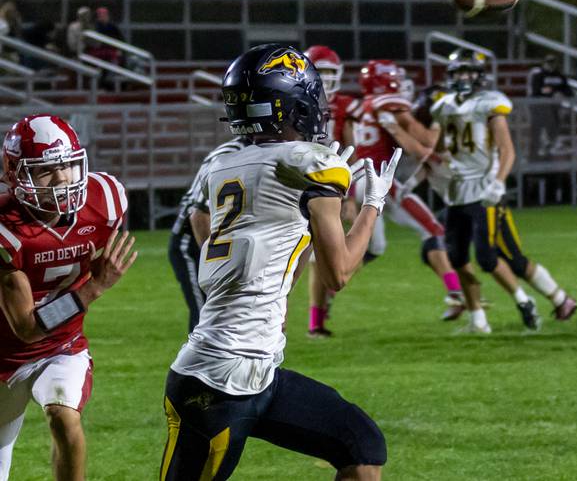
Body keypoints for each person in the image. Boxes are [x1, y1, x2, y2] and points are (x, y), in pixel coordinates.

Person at [160, 44, 397, 480]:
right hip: (219, 384)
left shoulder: (224, 164)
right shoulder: (310, 162)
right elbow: (340, 273)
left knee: (361, 445)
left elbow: (283, 258)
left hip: (253, 372)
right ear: (292, 105)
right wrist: (373, 204)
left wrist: (309, 223)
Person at [0, 114, 136, 481]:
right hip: (5, 355)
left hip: (63, 346)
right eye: (46, 171)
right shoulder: (7, 230)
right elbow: (27, 328)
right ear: (15, 175)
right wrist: (94, 287)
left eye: (69, 167)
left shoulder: (104, 199)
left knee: (63, 414)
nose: (62, 180)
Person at [430, 49, 577, 333]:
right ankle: (478, 320)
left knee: (495, 258)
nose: (463, 78)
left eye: (469, 72)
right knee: (459, 258)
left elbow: (507, 150)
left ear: (479, 76)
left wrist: (498, 183)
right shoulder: (444, 105)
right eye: (458, 72)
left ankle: (548, 300)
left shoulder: (490, 104)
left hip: (485, 192)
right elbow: (438, 146)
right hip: (456, 192)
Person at [346, 59, 467, 324]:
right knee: (433, 230)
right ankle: (455, 294)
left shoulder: (365, 105)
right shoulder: (388, 103)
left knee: (374, 248)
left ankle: (328, 289)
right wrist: (436, 123)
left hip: (362, 181)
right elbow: (419, 141)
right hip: (382, 181)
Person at [303, 44, 359, 337]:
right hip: (305, 184)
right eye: (320, 71)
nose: (325, 78)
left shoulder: (345, 105)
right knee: (313, 257)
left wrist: (350, 194)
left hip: (336, 183)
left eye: (329, 72)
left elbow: (353, 151)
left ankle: (328, 295)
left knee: (368, 248)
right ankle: (315, 322)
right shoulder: (295, 100)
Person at [168, 136, 251, 332]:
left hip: (232, 245)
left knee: (234, 320)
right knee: (206, 321)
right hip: (195, 243)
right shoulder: (230, 155)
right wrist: (216, 265)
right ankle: (198, 362)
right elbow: (198, 216)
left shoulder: (263, 152)